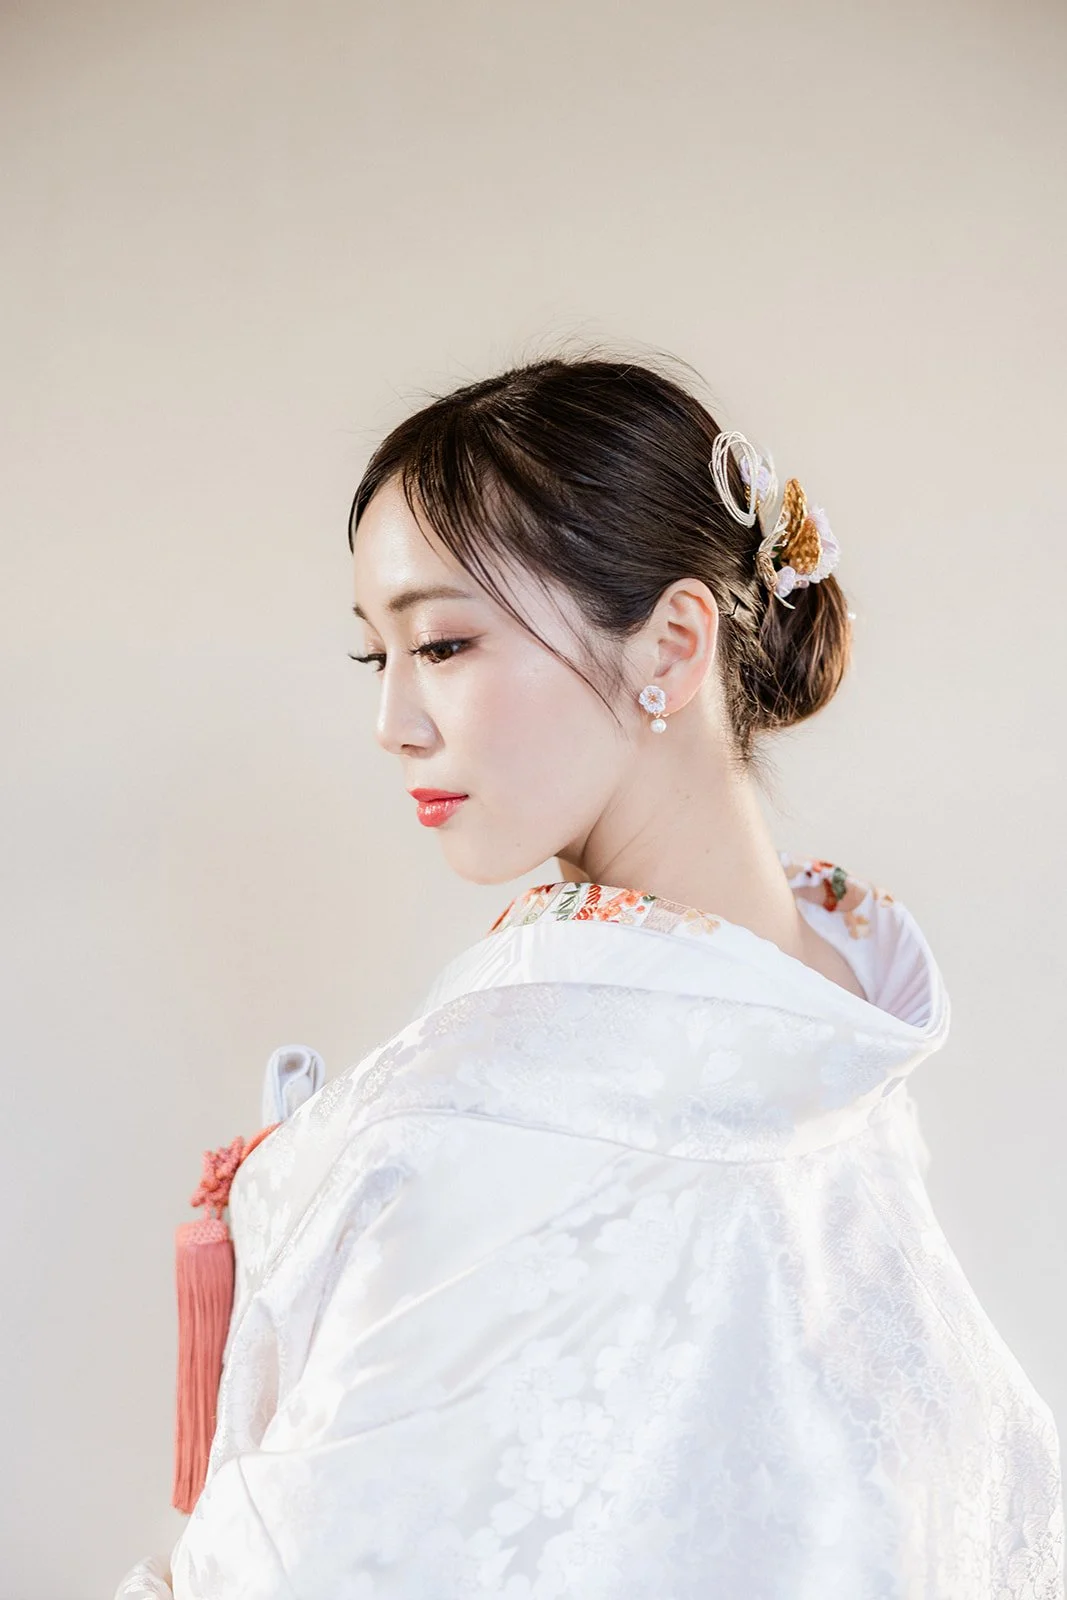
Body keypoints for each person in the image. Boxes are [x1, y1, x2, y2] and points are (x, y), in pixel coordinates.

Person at [116, 352, 1064, 1598]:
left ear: (671, 642)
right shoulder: (832, 1016)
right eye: (376, 659)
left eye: (443, 643)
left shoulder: (477, 1106)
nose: (393, 722)